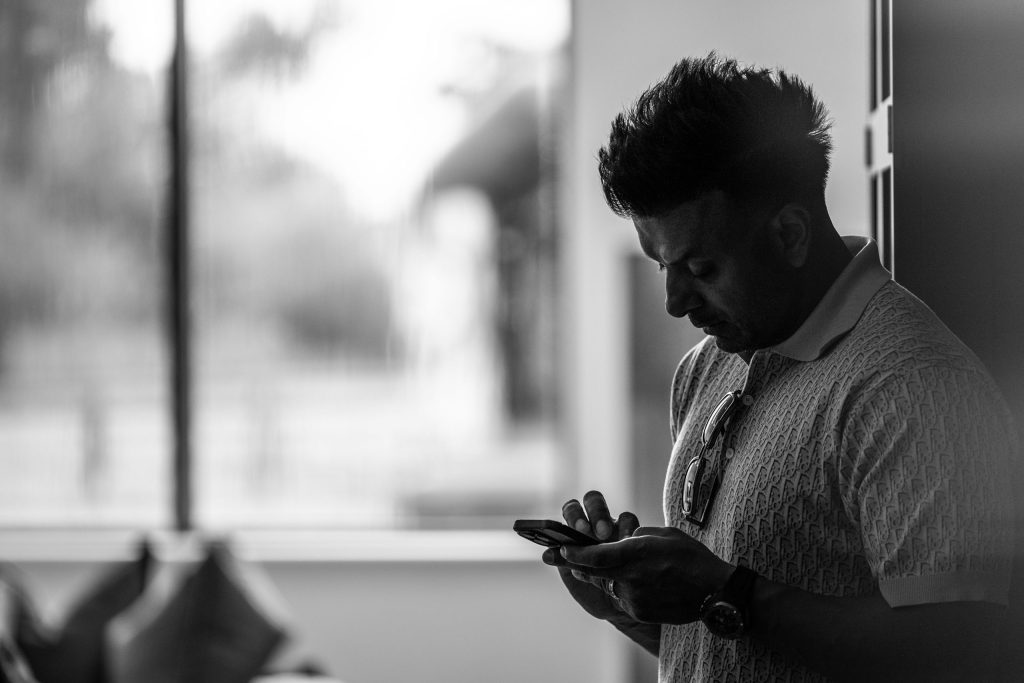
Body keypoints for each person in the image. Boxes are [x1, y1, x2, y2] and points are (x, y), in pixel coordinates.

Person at [541, 53, 1018, 682]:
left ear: (790, 234)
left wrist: (727, 591)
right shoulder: (707, 368)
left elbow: (958, 654)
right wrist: (630, 606)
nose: (674, 302)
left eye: (701, 269)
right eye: (663, 267)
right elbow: (737, 648)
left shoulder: (912, 385)